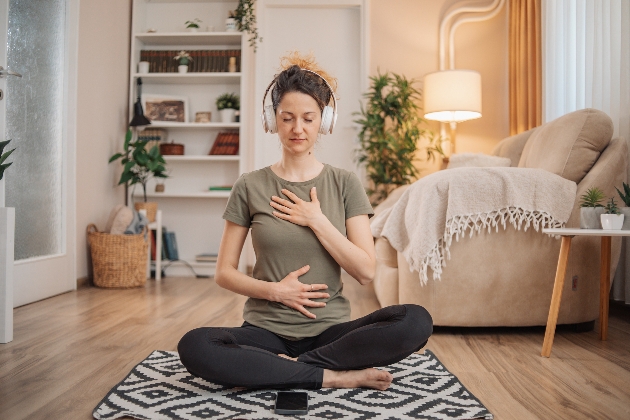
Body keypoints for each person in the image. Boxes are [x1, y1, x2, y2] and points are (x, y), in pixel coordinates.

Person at [178, 53, 433, 391]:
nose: (297, 128)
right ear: (273, 120)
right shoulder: (249, 185)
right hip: (264, 332)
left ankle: (283, 370)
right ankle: (331, 376)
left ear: (324, 122)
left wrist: (317, 220)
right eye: (287, 118)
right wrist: (275, 291)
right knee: (194, 346)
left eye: (309, 118)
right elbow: (224, 272)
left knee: (416, 321)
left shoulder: (345, 183)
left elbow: (365, 271)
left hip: (331, 334)